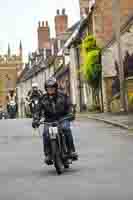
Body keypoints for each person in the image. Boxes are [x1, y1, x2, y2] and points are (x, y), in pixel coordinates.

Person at [32, 77, 78, 164]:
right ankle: (48, 155)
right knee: (46, 133)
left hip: (62, 118)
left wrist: (71, 113)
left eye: (52, 88)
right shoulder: (43, 98)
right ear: (46, 89)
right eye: (48, 88)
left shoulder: (63, 95)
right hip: (49, 120)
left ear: (56, 87)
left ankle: (71, 150)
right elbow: (37, 111)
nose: (50, 90)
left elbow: (69, 106)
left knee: (66, 129)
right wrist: (35, 119)